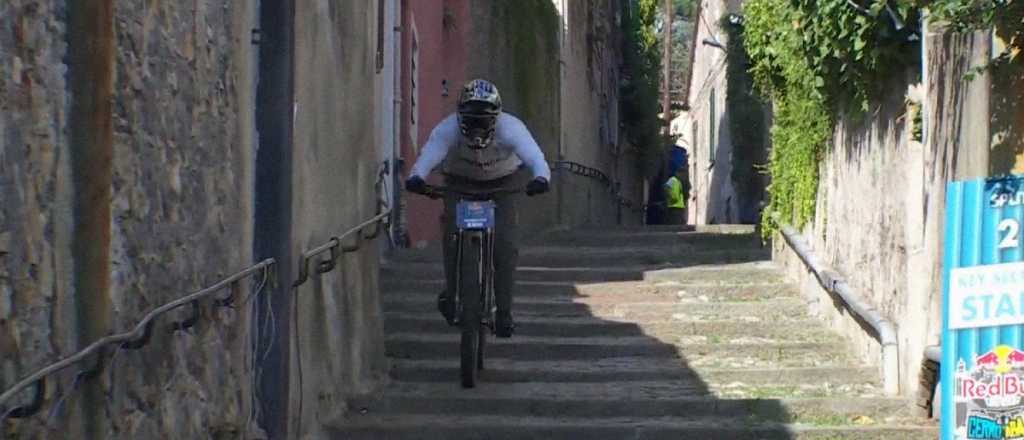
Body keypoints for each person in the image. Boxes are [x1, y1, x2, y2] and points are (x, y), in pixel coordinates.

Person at [404, 79, 551, 338]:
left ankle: (504, 311)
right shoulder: (447, 129)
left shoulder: (512, 128)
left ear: (497, 118)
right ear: (460, 117)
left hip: (501, 185)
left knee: (505, 246)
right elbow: (430, 154)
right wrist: (417, 177)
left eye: (483, 121)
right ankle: (452, 295)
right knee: (451, 238)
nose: (476, 128)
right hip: (460, 184)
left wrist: (540, 178)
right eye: (471, 120)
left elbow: (535, 157)